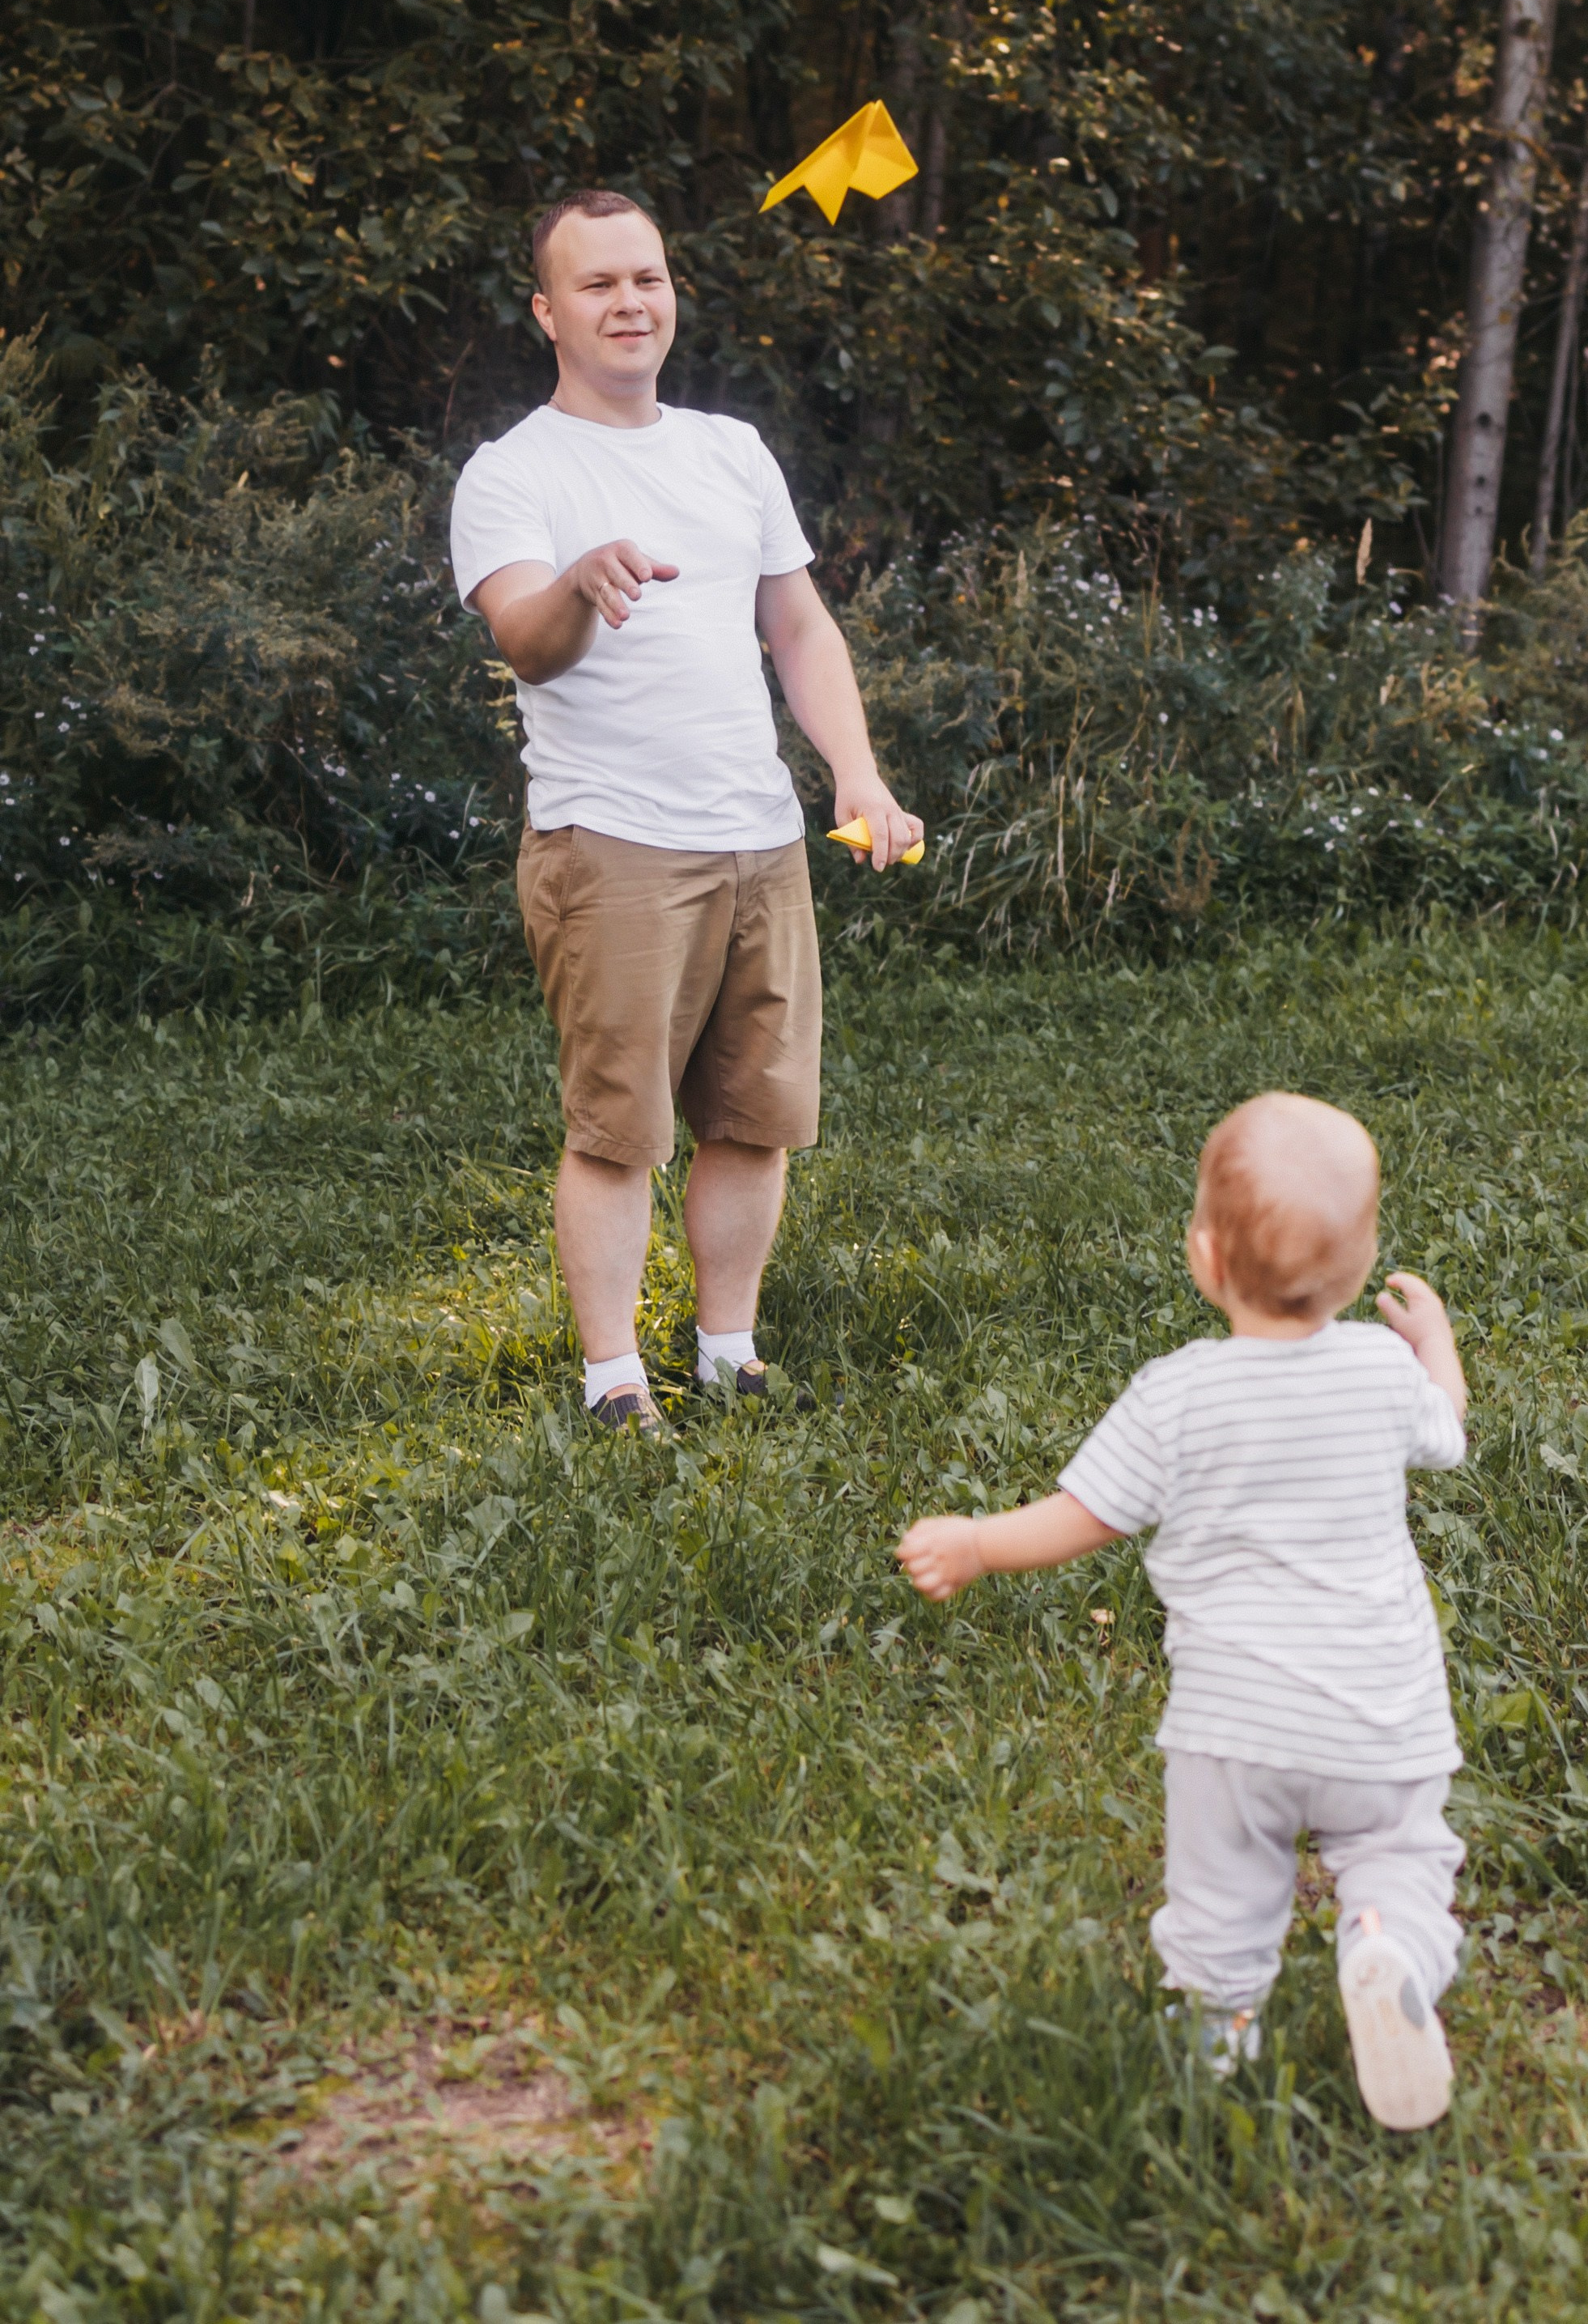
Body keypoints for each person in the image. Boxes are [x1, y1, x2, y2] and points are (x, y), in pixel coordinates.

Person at [897, 1092, 1469, 2131]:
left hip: (1234, 1723)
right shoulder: (1383, 1372)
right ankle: (1388, 1941)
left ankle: (1216, 2031)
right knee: (1400, 1855)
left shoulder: (1175, 1394)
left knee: (1221, 1893)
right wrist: (1433, 1337)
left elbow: (1084, 1516)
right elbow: (1447, 1426)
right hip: (1379, 1710)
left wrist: (979, 1541)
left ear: (1204, 1257)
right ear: (1362, 1255)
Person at [449, 189, 921, 1433]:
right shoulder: (515, 473)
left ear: (672, 293)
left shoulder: (731, 450)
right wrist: (580, 585)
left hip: (759, 836)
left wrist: (855, 774)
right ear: (548, 310)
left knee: (755, 1119)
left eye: (646, 277)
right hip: (612, 845)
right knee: (620, 1133)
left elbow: (797, 626)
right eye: (597, 283)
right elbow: (526, 642)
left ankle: (727, 1348)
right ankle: (614, 1380)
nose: (629, 302)